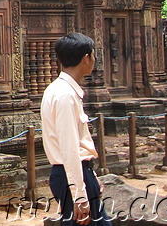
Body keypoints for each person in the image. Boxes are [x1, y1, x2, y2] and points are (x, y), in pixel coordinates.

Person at [41, 32, 111, 225]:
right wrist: (79, 196)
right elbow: (69, 148)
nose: (94, 60)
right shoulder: (65, 95)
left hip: (76, 173)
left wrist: (90, 176)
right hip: (70, 174)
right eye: (93, 55)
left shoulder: (60, 90)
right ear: (86, 58)